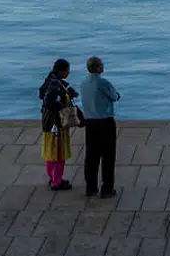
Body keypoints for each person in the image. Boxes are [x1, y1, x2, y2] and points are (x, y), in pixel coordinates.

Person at [79, 56, 121, 198]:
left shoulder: (83, 83)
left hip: (90, 123)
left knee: (91, 156)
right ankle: (107, 189)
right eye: (101, 65)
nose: (103, 66)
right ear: (97, 68)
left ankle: (90, 187)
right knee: (108, 156)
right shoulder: (102, 82)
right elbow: (115, 96)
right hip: (105, 122)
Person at [39, 59, 80, 190]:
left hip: (48, 123)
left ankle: (52, 177)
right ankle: (57, 181)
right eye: (67, 71)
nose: (68, 73)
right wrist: (61, 105)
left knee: (51, 151)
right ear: (62, 71)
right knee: (58, 153)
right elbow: (49, 102)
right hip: (56, 124)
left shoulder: (50, 80)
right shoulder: (55, 85)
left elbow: (42, 95)